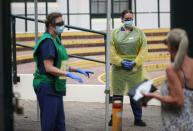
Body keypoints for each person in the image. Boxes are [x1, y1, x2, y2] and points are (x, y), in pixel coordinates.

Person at [33, 12, 94, 131]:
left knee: (60, 124)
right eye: (59, 23)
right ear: (50, 25)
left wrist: (78, 70)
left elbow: (59, 64)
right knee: (49, 123)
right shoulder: (47, 42)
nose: (62, 25)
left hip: (55, 86)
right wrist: (68, 74)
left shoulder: (56, 39)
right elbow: (49, 68)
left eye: (63, 23)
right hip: (47, 85)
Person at [144, 28, 193, 130]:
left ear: (170, 46)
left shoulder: (172, 69)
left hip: (178, 124)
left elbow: (178, 100)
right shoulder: (191, 64)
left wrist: (153, 95)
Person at [110, 9, 148, 127]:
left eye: (131, 18)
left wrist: (135, 62)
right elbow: (111, 51)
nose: (129, 20)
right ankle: (115, 118)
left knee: (135, 95)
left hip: (135, 69)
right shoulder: (115, 33)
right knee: (117, 95)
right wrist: (120, 62)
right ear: (122, 19)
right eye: (126, 19)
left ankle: (138, 119)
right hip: (118, 69)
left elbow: (144, 49)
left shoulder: (140, 33)